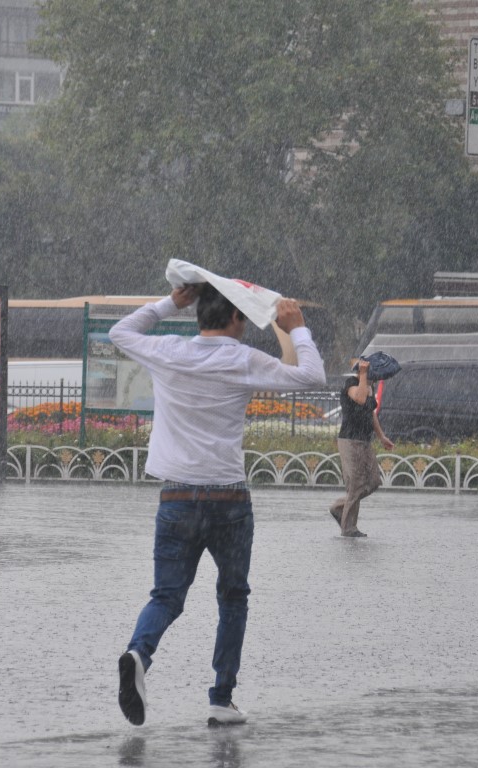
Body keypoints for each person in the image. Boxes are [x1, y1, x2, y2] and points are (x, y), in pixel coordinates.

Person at [109, 280, 325, 728]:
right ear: (236, 318)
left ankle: (138, 653)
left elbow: (120, 333)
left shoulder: (169, 351)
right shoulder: (242, 358)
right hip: (227, 497)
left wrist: (170, 302)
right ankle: (221, 699)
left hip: (177, 497)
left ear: (198, 314)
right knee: (233, 597)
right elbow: (312, 376)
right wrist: (297, 328)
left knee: (166, 596)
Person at [328, 357, 395, 537]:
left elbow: (370, 412)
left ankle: (338, 508)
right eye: (367, 370)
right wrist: (363, 375)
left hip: (365, 440)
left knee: (372, 482)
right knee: (356, 484)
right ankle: (349, 528)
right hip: (350, 440)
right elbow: (359, 398)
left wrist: (381, 436)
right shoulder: (351, 383)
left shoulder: (369, 387)